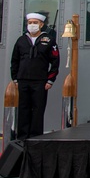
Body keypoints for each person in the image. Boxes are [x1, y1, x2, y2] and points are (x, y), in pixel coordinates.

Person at [10, 12, 60, 140]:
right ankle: (22, 137)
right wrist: (15, 77)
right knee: (23, 108)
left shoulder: (48, 40)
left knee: (38, 110)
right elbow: (14, 60)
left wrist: (50, 79)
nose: (32, 25)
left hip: (40, 81)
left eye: (35, 23)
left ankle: (35, 137)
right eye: (30, 23)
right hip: (23, 80)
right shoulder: (21, 40)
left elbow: (55, 61)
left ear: (41, 24)